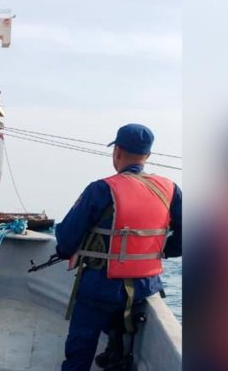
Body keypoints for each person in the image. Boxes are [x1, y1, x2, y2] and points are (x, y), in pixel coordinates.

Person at [54, 123, 182, 371]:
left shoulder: (100, 189)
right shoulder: (171, 189)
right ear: (147, 156)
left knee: (80, 345)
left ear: (118, 151)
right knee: (123, 322)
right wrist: (164, 251)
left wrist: (63, 251)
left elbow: (67, 239)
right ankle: (116, 352)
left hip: (101, 286)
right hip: (145, 286)